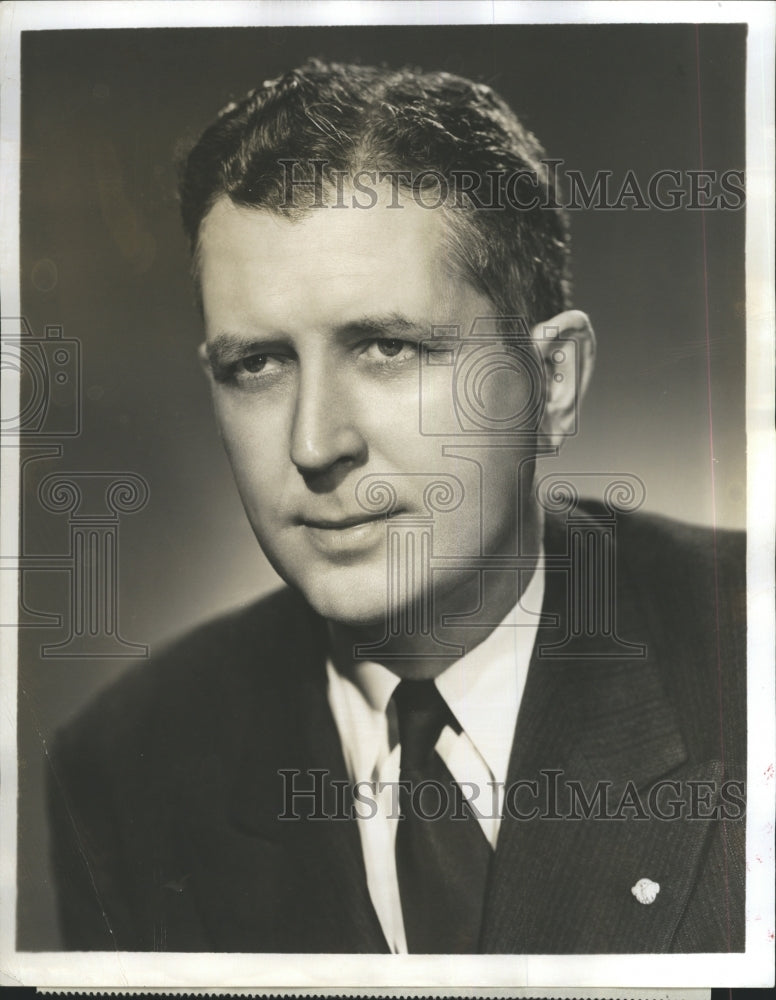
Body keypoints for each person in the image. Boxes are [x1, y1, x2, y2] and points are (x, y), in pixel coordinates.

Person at [48, 60, 746, 954]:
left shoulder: (744, 654)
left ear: (551, 382)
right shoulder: (121, 763)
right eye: (256, 364)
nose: (314, 443)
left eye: (385, 346)